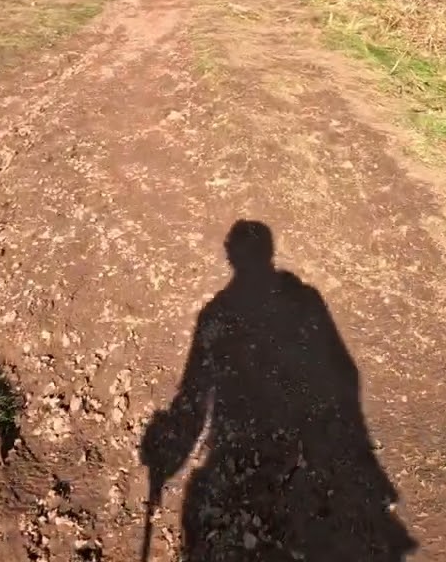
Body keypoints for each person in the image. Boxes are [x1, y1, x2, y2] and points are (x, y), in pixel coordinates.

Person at [140, 220, 417, 561]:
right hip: (295, 447)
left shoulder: (216, 314)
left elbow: (193, 395)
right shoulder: (303, 300)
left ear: (230, 256)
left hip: (243, 450)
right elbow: (344, 372)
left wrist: (167, 458)